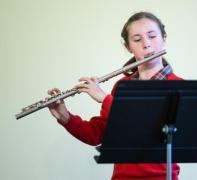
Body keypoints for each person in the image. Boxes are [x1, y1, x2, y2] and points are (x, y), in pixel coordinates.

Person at [48, 11, 182, 180]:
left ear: (164, 38)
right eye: (137, 39)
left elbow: (148, 128)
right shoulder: (122, 86)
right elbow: (97, 134)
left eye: (152, 36)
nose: (146, 44)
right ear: (128, 47)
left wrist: (104, 99)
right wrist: (66, 117)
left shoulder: (178, 87)